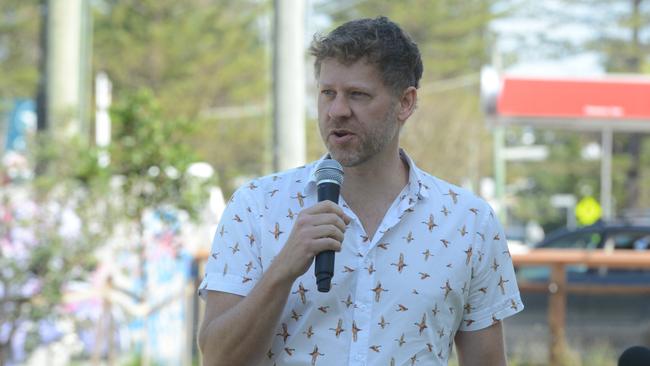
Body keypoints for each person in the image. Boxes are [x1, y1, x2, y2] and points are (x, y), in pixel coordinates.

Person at [198, 16, 523, 366]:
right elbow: (217, 358)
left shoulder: (468, 222)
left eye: (357, 95)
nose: (337, 111)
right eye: (327, 94)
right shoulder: (256, 206)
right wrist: (282, 270)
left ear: (405, 103)